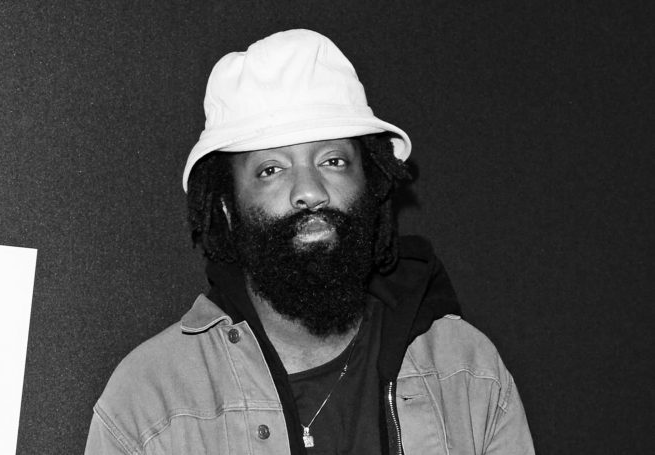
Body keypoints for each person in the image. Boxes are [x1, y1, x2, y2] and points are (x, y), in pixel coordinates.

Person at [85, 29, 534, 455]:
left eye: (333, 161)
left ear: (371, 184)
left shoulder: (467, 373)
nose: (310, 191)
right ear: (226, 208)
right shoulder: (150, 403)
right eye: (272, 170)